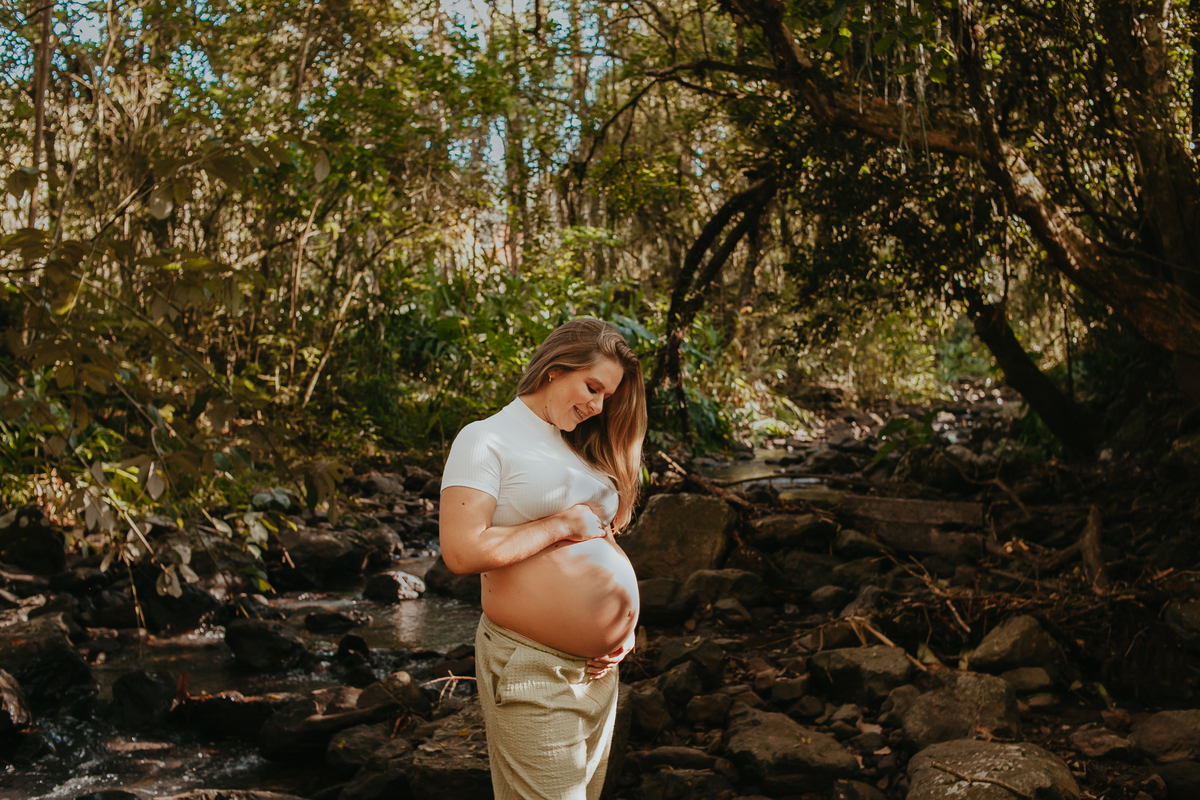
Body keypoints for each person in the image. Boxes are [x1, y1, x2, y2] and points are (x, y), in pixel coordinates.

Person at [439, 318, 647, 800]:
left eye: (607, 397)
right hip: (533, 666)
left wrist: (624, 627)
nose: (597, 406)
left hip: (597, 673)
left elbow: (601, 537)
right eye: (592, 386)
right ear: (555, 369)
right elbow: (461, 550)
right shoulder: (484, 438)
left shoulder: (575, 451)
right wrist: (561, 525)